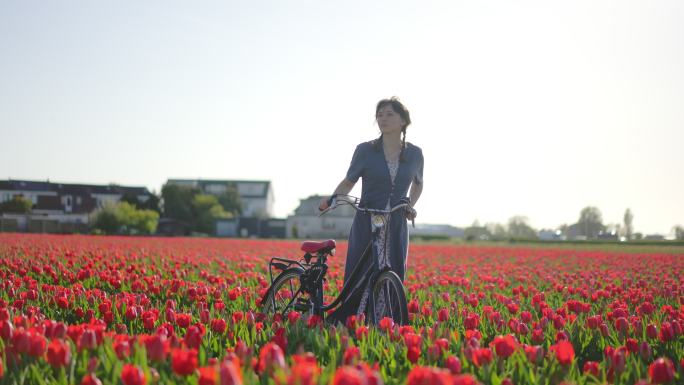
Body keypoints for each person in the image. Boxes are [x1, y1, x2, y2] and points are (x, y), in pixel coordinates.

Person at [319, 97, 424, 325]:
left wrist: (409, 204)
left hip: (396, 221)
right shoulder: (365, 150)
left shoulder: (415, 154)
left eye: (389, 114)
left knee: (393, 268)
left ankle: (387, 321)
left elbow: (418, 183)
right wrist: (333, 199)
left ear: (404, 121)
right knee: (361, 269)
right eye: (380, 114)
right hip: (368, 218)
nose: (383, 119)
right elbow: (349, 181)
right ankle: (353, 320)